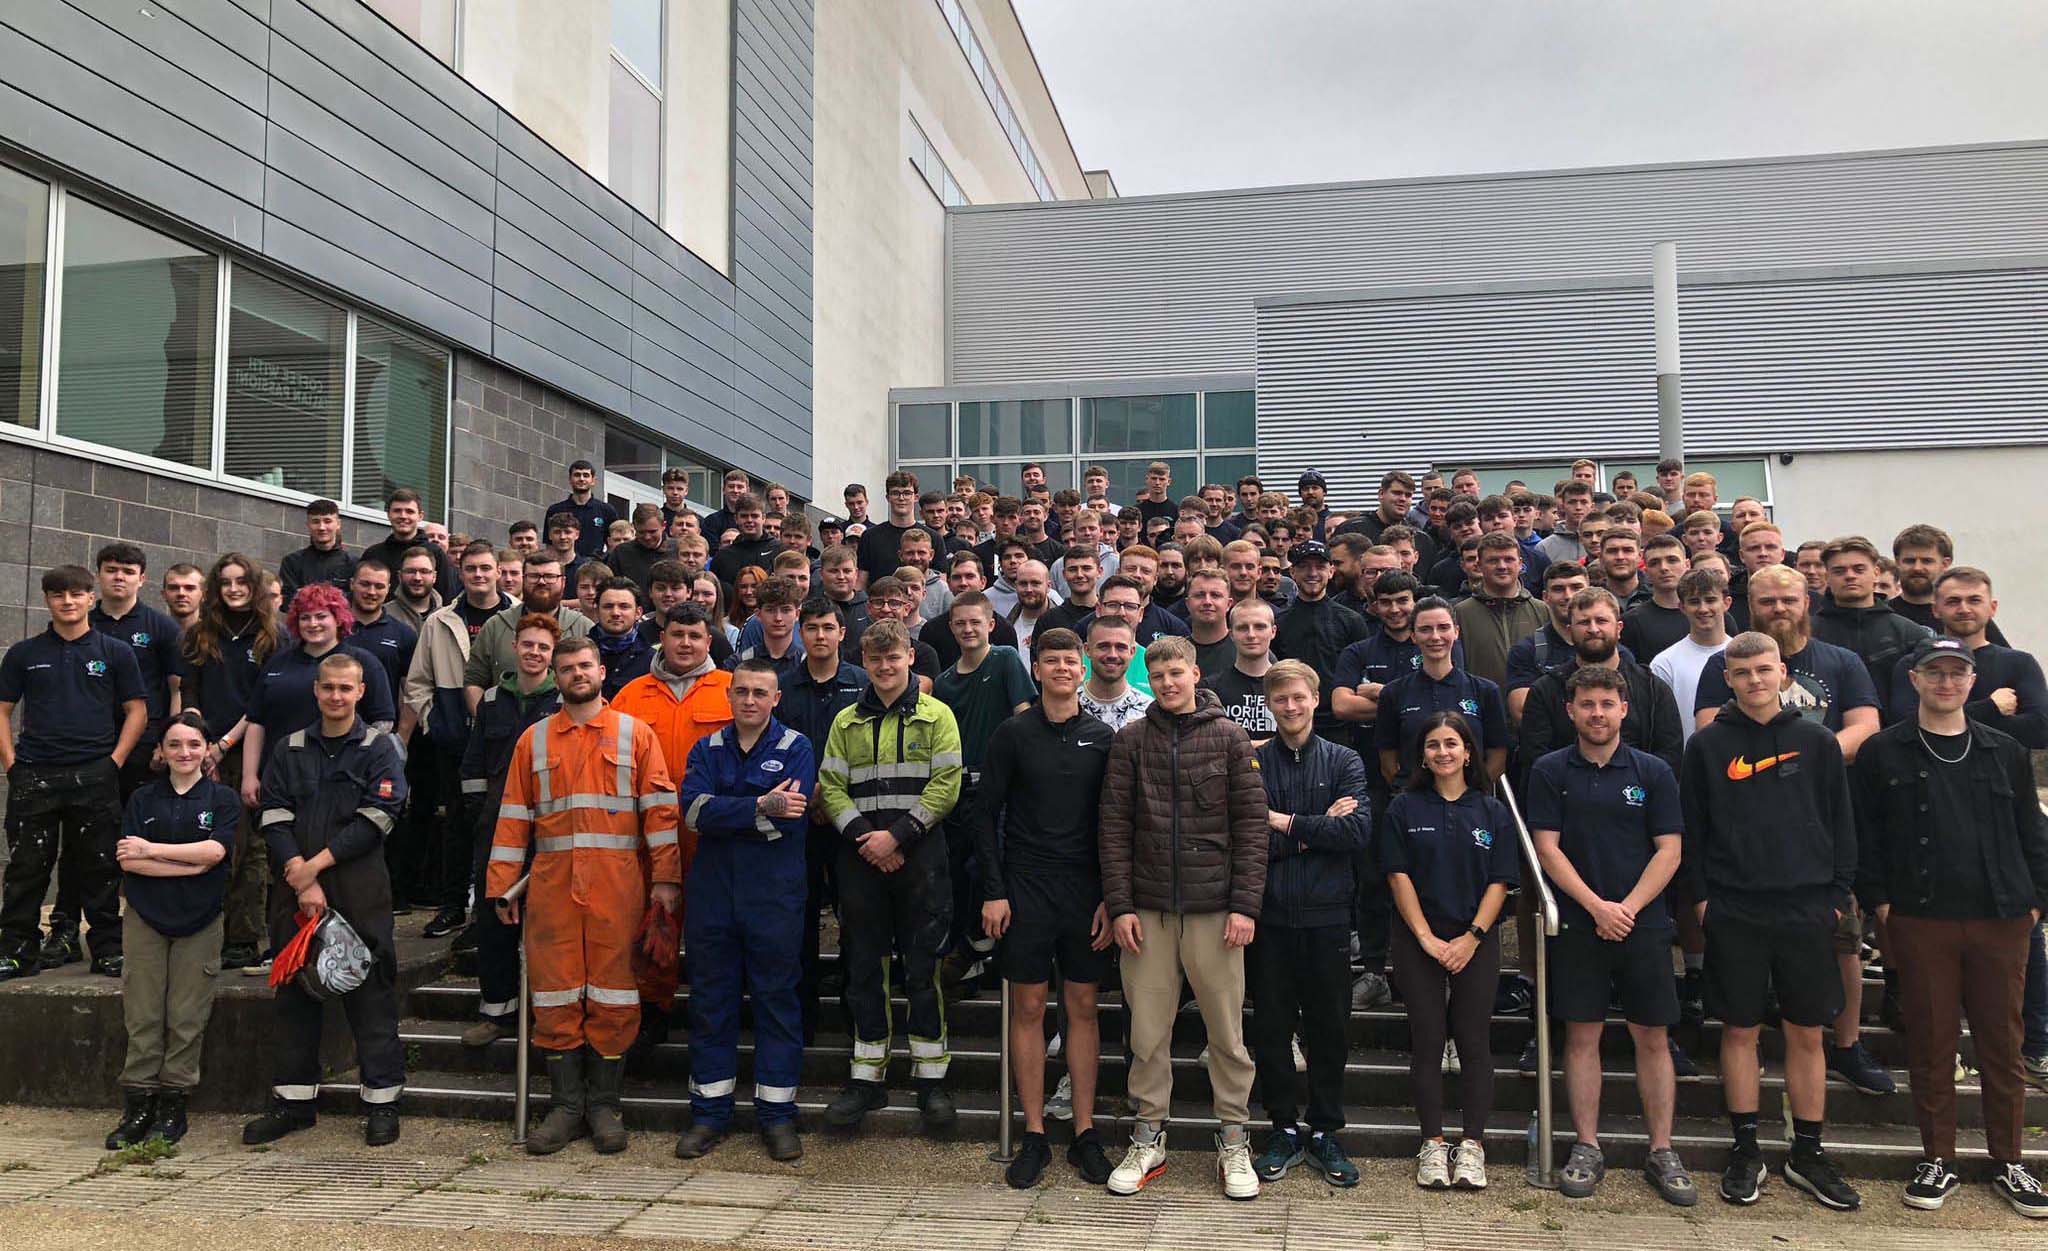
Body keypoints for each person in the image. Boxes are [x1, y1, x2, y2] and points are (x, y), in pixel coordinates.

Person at [1853, 637, 2048, 1217]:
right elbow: (1868, 837)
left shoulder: (2003, 750)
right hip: (1920, 918)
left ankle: (2009, 1160)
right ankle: (1938, 1158)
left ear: (1972, 682)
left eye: (1956, 674)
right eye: (1933, 673)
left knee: (2002, 1044)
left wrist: (2037, 902)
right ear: (1914, 680)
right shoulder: (1883, 752)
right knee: (1932, 1044)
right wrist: (1882, 904)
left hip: (2000, 917)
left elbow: (2031, 831)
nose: (1945, 683)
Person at [1681, 631, 1861, 1211]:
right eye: (1742, 672)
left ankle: (1807, 1151)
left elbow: (1841, 823)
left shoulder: (1817, 741)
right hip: (1734, 906)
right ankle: (1746, 1147)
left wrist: (1835, 896)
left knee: (1808, 1031)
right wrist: (1704, 899)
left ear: (1783, 673)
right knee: (1738, 1029)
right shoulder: (1707, 746)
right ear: (1728, 680)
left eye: (1764, 669)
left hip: (1807, 906)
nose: (1755, 680)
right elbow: (1694, 830)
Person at [1690, 565, 1886, 1094]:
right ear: (1748, 604)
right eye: (1767, 599)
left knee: (1838, 961)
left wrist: (1800, 750)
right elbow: (1711, 750)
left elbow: (1866, 727)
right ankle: (1747, 1138)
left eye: (1789, 598)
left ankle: (1848, 1047)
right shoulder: (1720, 669)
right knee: (1740, 1023)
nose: (1779, 607)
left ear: (1808, 599)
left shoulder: (1840, 663)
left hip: (1813, 861)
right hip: (1739, 884)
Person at [487, 636, 679, 1155]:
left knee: (616, 992)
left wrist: (666, 882)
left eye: (585, 665)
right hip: (551, 884)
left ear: (601, 671)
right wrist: (504, 886)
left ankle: (604, 1106)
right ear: (555, 674)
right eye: (567, 667)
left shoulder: (635, 735)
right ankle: (566, 1107)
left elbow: (660, 813)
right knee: (554, 993)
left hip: (619, 885)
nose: (577, 674)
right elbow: (512, 816)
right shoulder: (535, 740)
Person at [1099, 637, 1268, 1200]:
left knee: (1226, 1033)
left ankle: (1234, 1138)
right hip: (1146, 912)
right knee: (1147, 1034)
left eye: (1178, 672)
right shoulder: (1130, 741)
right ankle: (1149, 1136)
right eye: (1160, 674)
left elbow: (1250, 828)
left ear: (1195, 673)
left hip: (1215, 910)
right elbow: (1114, 831)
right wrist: (1120, 905)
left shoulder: (1229, 737)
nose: (1169, 682)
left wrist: (1245, 905)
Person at [1528, 667, 1695, 1206]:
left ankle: (1663, 1150)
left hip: (1642, 923)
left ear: (1624, 709)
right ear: (1570, 711)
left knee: (1652, 1036)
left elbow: (1669, 849)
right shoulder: (1550, 770)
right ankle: (1586, 1146)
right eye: (1586, 704)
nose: (1597, 713)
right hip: (1580, 922)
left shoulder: (1652, 771)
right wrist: (1596, 906)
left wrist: (1627, 907)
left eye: (1607, 703)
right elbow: (1547, 848)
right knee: (1582, 1036)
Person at [242, 653, 409, 1147]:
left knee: (370, 991)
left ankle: (382, 1103)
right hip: (296, 890)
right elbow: (272, 813)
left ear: (361, 692)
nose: (336, 696)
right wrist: (301, 875)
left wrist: (315, 867)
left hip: (358, 888)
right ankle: (294, 1104)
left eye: (346, 688)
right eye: (328, 688)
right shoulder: (288, 748)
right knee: (295, 993)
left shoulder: (380, 749)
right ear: (315, 691)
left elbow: (380, 814)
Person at [974, 628, 1116, 1188]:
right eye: (1051, 660)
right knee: (1029, 1008)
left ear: (1083, 670)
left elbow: (1115, 824)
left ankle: (1084, 1132)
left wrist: (1112, 895)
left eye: (1070, 660)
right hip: (1026, 886)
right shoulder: (1012, 735)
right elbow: (984, 816)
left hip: (1084, 891)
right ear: (1036, 670)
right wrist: (993, 889)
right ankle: (1034, 1133)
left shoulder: (1103, 737)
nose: (1062, 668)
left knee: (1082, 1008)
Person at [816, 620, 964, 1133]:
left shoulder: (936, 714)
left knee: (923, 969)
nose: (884, 667)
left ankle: (931, 1081)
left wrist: (895, 838)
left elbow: (947, 785)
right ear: (865, 659)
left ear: (909, 659)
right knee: (864, 967)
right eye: (875, 659)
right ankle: (866, 1079)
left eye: (893, 658)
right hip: (860, 860)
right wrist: (868, 840)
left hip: (920, 858)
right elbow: (830, 786)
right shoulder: (845, 720)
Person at [671, 658, 816, 1163]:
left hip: (773, 897)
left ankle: (777, 1116)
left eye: (761, 692)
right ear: (728, 697)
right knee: (711, 1001)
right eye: (742, 692)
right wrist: (758, 807)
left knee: (777, 1001)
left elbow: (792, 818)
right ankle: (709, 1112)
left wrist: (728, 811)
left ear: (776, 699)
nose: (750, 700)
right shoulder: (706, 748)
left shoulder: (796, 747)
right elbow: (691, 813)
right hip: (713, 897)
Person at [1246, 661, 1369, 1188]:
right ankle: (1281, 1129)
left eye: (1299, 698)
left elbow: (1358, 831)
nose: (1291, 708)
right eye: (1280, 700)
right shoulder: (1251, 763)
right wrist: (1315, 828)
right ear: (1268, 705)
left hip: (1327, 917)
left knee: (1329, 1029)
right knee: (1272, 1030)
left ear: (1316, 699)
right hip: (1268, 917)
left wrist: (1285, 823)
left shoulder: (1344, 759)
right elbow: (1247, 837)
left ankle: (1325, 1130)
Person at [1382, 712, 1516, 1190]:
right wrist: (1425, 939)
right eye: (1434, 744)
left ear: (1468, 751)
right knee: (1428, 1040)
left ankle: (1473, 1146)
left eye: (1452, 744)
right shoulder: (1403, 808)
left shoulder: (1492, 811)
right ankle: (1434, 1145)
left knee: (1474, 1041)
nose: (1443, 752)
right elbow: (1398, 876)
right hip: (1418, 939)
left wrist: (1471, 939)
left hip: (1474, 939)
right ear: (1422, 754)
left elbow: (1501, 881)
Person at [0, 566, 146, 981]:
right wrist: (12, 764)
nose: (67, 601)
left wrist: (114, 761)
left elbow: (137, 709)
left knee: (99, 868)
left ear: (89, 598)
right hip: (34, 775)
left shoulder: (115, 651)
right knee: (27, 868)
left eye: (76, 594)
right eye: (58, 594)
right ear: (47, 599)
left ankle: (106, 950)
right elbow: (3, 708)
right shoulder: (25, 654)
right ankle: (16, 952)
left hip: (95, 775)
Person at [105, 711, 241, 1149]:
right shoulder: (143, 799)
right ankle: (139, 1103)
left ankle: (173, 1103)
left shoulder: (222, 800)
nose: (185, 752)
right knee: (143, 1015)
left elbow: (215, 853)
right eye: (175, 745)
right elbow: (129, 861)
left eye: (194, 744)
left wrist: (154, 851)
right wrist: (188, 862)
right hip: (145, 916)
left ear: (207, 750)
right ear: (160, 752)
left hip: (200, 920)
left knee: (186, 1017)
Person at [611, 604, 734, 1054]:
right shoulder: (631, 694)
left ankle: (709, 1012)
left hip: (712, 833)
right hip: (648, 833)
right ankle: (652, 1009)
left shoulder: (730, 689)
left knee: (710, 929)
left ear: (709, 640)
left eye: (694, 635)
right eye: (677, 634)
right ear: (661, 636)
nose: (685, 643)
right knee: (653, 926)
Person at [454, 614, 560, 1049]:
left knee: (548, 924)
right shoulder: (493, 700)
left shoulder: (563, 699)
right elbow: (474, 765)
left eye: (544, 647)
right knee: (495, 920)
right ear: (514, 647)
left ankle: (547, 1015)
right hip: (496, 830)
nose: (534, 653)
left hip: (549, 830)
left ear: (553, 655)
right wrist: (485, 813)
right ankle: (496, 1012)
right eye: (528, 644)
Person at [181, 554, 281, 972]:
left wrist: (223, 745)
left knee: (249, 850)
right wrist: (202, 744)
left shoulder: (272, 637)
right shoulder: (202, 634)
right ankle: (203, 932)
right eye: (226, 582)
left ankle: (242, 938)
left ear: (255, 586)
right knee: (208, 844)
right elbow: (189, 693)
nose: (234, 589)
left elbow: (262, 703)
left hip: (250, 749)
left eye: (242, 581)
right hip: (201, 753)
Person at [933, 593, 1036, 996]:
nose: (969, 629)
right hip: (958, 790)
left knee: (990, 869)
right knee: (958, 874)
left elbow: (1023, 714)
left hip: (1003, 789)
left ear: (990, 624)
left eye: (976, 621)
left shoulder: (1006, 659)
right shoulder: (943, 682)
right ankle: (974, 951)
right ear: (952, 628)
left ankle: (982, 949)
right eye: (961, 623)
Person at [779, 599, 867, 1043]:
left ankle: (857, 1012)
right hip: (796, 819)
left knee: (855, 914)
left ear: (842, 633)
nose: (819, 635)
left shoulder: (862, 684)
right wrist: (808, 793)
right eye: (810, 627)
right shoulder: (783, 687)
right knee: (801, 916)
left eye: (827, 627)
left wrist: (831, 796)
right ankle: (804, 1015)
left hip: (851, 819)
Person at [1889, 567, 2047, 746]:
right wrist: (1991, 708)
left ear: (1992, 608)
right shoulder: (1913, 664)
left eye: (1974, 600)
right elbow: (1907, 727)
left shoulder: (2020, 663)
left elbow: (2039, 731)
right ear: (1936, 610)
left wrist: (1943, 717)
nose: (1964, 609)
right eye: (1953, 601)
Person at [90, 543, 187, 806]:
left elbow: (178, 689)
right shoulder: (83, 625)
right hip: (90, 741)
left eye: (128, 571)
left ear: (141, 579)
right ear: (98, 575)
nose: (119, 577)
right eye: (111, 570)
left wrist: (168, 742)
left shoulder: (162, 626)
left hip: (145, 745)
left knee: (138, 823)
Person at [1374, 598, 1508, 786]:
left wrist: (1472, 793)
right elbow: (1388, 761)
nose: (1435, 637)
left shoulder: (1485, 691)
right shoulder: (1393, 693)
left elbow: (1498, 755)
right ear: (1413, 636)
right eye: (1425, 629)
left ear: (1456, 632)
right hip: (1413, 804)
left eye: (1443, 628)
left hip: (1470, 803)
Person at [1811, 535, 1930, 718]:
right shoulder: (1808, 633)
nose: (1850, 576)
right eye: (1839, 571)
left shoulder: (1909, 634)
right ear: (1827, 577)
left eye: (1859, 569)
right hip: (1830, 740)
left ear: (1875, 573)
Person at [465, 555, 594, 711]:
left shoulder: (584, 628)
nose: (541, 582)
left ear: (563, 582)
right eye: (534, 576)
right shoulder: (496, 625)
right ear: (523, 579)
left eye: (550, 576)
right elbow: (474, 680)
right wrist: (486, 721)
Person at [1891, 524, 2010, 645]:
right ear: (1897, 562)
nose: (1917, 568)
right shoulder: (1884, 616)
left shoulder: (1966, 616)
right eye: (1910, 561)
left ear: (1945, 564)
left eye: (1927, 561)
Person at [1651, 568, 1732, 747]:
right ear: (1682, 607)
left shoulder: (1744, 657)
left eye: (1710, 600)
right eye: (1694, 602)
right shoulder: (1664, 663)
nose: (1703, 609)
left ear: (1726, 603)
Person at [1203, 596, 1278, 741]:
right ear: (1231, 634)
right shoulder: (1211, 689)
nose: (1251, 635)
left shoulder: (1289, 685)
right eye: (1242, 628)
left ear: (1273, 632)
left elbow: (1298, 742)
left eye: (1260, 627)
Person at [362, 488, 457, 601]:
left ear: (420, 516)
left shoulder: (436, 553)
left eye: (409, 511)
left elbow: (447, 598)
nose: (403, 516)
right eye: (397, 511)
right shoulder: (373, 554)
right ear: (388, 514)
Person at [1621, 534, 1698, 664]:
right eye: (1654, 563)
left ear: (1687, 565)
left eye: (1672, 560)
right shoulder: (1631, 622)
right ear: (1645, 572)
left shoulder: (1710, 614)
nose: (1664, 568)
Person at [279, 498, 358, 607]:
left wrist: (305, 594)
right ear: (308, 525)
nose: (321, 527)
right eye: (316, 521)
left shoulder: (354, 564)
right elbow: (286, 602)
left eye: (327, 521)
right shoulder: (292, 562)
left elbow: (356, 601)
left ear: (338, 524)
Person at [1079, 615, 1152, 730]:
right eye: (1103, 646)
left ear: (1132, 652)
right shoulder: (1071, 706)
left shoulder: (1148, 710)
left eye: (1120, 647)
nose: (1112, 655)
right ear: (1087, 650)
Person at [856, 472, 922, 588]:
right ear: (888, 498)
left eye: (907, 493)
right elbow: (861, 583)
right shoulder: (870, 537)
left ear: (916, 497)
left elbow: (940, 585)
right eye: (895, 493)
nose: (901, 498)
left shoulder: (932, 537)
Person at [549, 460, 619, 560]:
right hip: (564, 565)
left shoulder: (607, 510)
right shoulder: (555, 510)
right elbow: (549, 545)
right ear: (570, 479)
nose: (581, 479)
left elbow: (614, 543)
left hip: (595, 566)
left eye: (586, 475)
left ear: (593, 480)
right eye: (577, 475)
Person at [159, 563, 204, 634]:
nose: (181, 593)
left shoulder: (217, 638)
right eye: (173, 588)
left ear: (204, 594)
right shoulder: (153, 633)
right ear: (164, 594)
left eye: (190, 588)